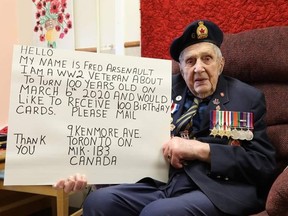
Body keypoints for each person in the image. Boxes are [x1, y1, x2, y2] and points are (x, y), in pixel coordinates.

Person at [54, 20, 277, 216]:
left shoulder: (247, 98)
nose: (198, 68)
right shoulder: (157, 90)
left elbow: (262, 164)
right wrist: (88, 173)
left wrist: (200, 149)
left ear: (220, 64)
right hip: (162, 183)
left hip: (217, 188)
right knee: (99, 202)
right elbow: (126, 141)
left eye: (207, 58)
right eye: (190, 61)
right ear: (180, 69)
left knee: (159, 213)